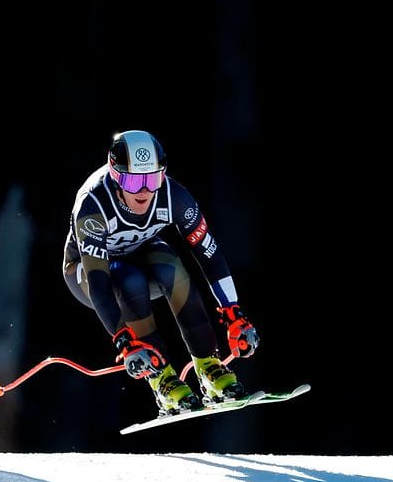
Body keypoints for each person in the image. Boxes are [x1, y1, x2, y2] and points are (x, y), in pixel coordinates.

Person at [62, 130, 260, 415]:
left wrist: (233, 312)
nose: (143, 191)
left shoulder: (174, 197)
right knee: (128, 278)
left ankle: (209, 367)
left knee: (171, 266)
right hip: (87, 274)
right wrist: (124, 340)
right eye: (133, 181)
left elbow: (210, 255)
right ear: (116, 177)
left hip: (139, 252)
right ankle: (162, 380)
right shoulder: (93, 204)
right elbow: (99, 283)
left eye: (152, 179)